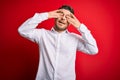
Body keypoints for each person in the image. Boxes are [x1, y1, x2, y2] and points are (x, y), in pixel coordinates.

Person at [18, 5, 98, 80]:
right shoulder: (42, 35)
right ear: (55, 17)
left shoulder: (74, 39)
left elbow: (93, 49)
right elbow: (22, 30)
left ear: (70, 23)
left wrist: (80, 26)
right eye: (60, 14)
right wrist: (47, 15)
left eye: (67, 17)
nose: (63, 18)